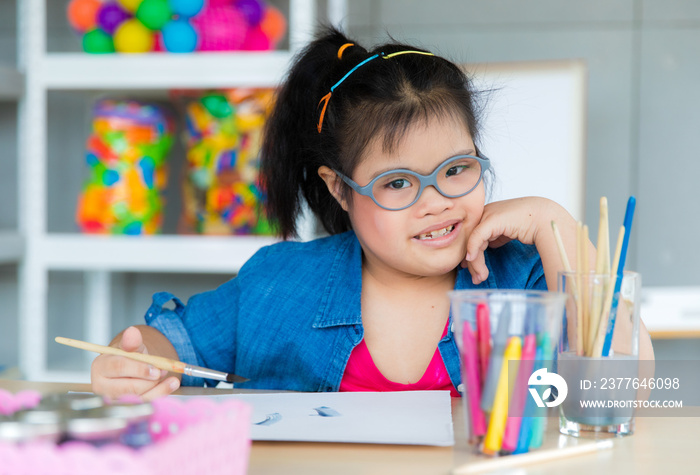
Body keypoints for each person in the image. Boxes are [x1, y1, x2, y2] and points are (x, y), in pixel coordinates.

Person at [91, 27, 653, 400]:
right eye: (398, 182)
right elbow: (171, 344)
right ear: (339, 190)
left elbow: (624, 388)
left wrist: (552, 224)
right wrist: (132, 362)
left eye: (457, 169)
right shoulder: (279, 283)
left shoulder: (528, 277)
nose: (436, 200)